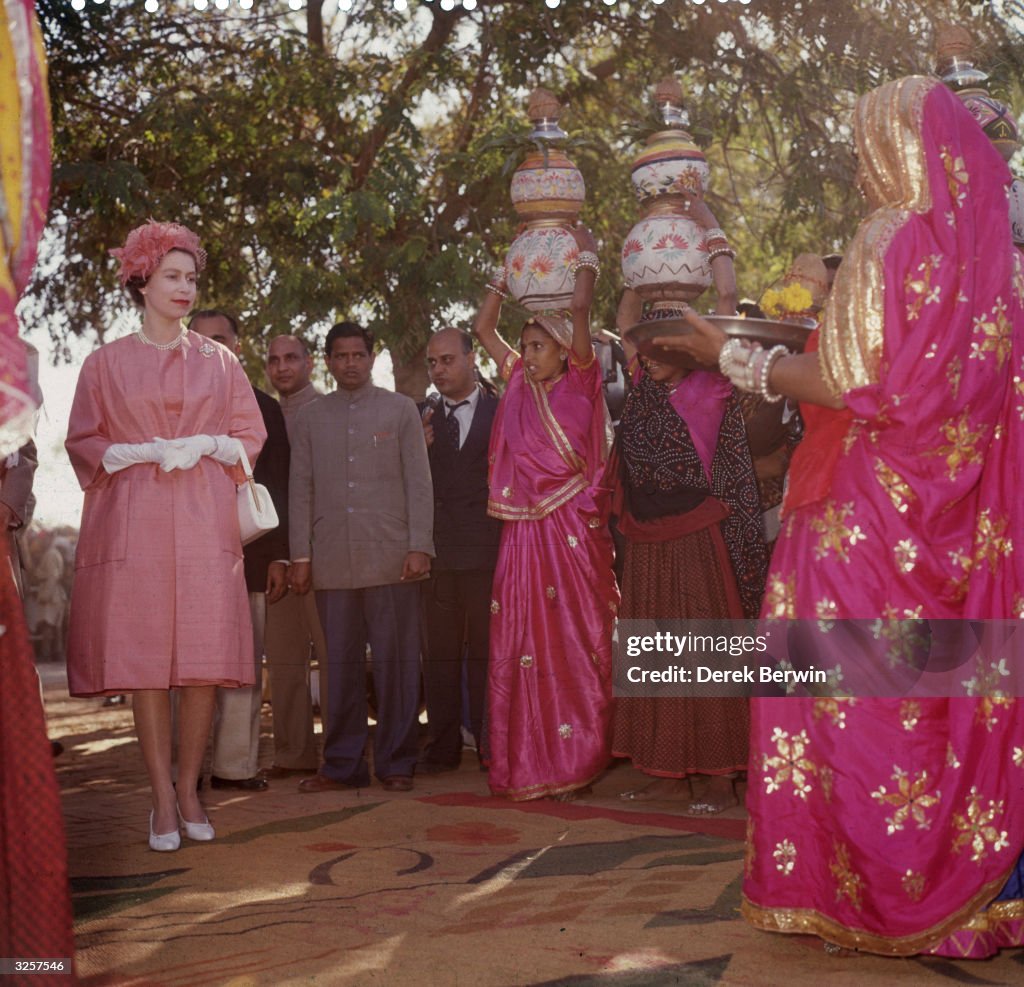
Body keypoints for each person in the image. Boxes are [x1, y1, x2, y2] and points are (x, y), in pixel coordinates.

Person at [653, 77, 1024, 957]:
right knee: (941, 701)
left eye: (869, 144)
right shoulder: (994, 269)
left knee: (847, 701)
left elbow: (846, 385)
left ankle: (871, 892)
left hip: (859, 520)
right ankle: (975, 888)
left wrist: (726, 352)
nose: (864, 168)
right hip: (959, 522)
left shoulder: (889, 235)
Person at [65, 221, 266, 852]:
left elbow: (250, 436)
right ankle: (159, 798)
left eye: (191, 278)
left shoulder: (221, 360)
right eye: (173, 277)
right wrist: (126, 453)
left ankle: (189, 789)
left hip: (206, 522)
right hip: (134, 522)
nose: (186, 288)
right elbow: (82, 439)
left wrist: (212, 443)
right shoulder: (103, 363)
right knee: (145, 664)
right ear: (142, 280)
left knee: (204, 662)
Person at [473, 224, 618, 801]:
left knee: (575, 640)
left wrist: (583, 252)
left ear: (564, 348)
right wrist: (504, 274)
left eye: (537, 346)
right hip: (523, 532)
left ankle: (579, 753)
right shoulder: (516, 379)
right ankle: (528, 760)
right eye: (525, 347)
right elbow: (484, 327)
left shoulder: (582, 378)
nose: (526, 354)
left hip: (571, 531)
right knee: (520, 643)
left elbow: (580, 306)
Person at [610, 288, 767, 812]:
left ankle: (721, 775)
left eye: (660, 349)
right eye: (644, 351)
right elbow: (626, 320)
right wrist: (636, 276)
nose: (648, 359)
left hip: (696, 542)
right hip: (647, 542)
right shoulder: (642, 389)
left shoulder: (710, 387)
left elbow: (724, 297)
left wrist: (702, 224)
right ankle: (668, 772)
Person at [289, 321, 433, 793]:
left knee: (396, 664)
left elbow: (419, 482)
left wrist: (419, 545)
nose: (350, 363)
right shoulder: (311, 417)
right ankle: (342, 765)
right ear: (327, 361)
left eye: (358, 355)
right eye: (341, 355)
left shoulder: (400, 410)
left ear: (374, 358)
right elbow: (300, 489)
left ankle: (396, 763)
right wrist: (300, 556)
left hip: (392, 557)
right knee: (340, 667)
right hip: (332, 562)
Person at [189, 310, 291, 792]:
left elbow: (277, 488)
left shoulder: (263, 408)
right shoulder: (171, 402)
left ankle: (235, 767)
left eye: (221, 339)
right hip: (182, 559)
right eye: (202, 338)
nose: (211, 347)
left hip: (246, 561)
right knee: (180, 667)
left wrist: (277, 557)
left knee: (243, 668)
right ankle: (175, 772)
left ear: (236, 345)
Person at [419, 328, 502, 772]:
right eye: (433, 362)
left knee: (487, 652)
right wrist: (416, 448)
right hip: (438, 553)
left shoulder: (503, 409)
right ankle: (443, 745)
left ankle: (491, 743)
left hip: (490, 548)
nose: (439, 370)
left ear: (472, 359)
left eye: (448, 360)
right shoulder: (421, 416)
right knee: (441, 655)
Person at [261, 334, 327, 778]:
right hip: (274, 559)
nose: (282, 367)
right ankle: (293, 754)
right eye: (273, 360)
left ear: (309, 362)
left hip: (327, 556)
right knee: (284, 665)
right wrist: (280, 554)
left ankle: (343, 752)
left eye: (291, 358)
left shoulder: (328, 411)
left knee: (334, 659)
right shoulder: (256, 415)